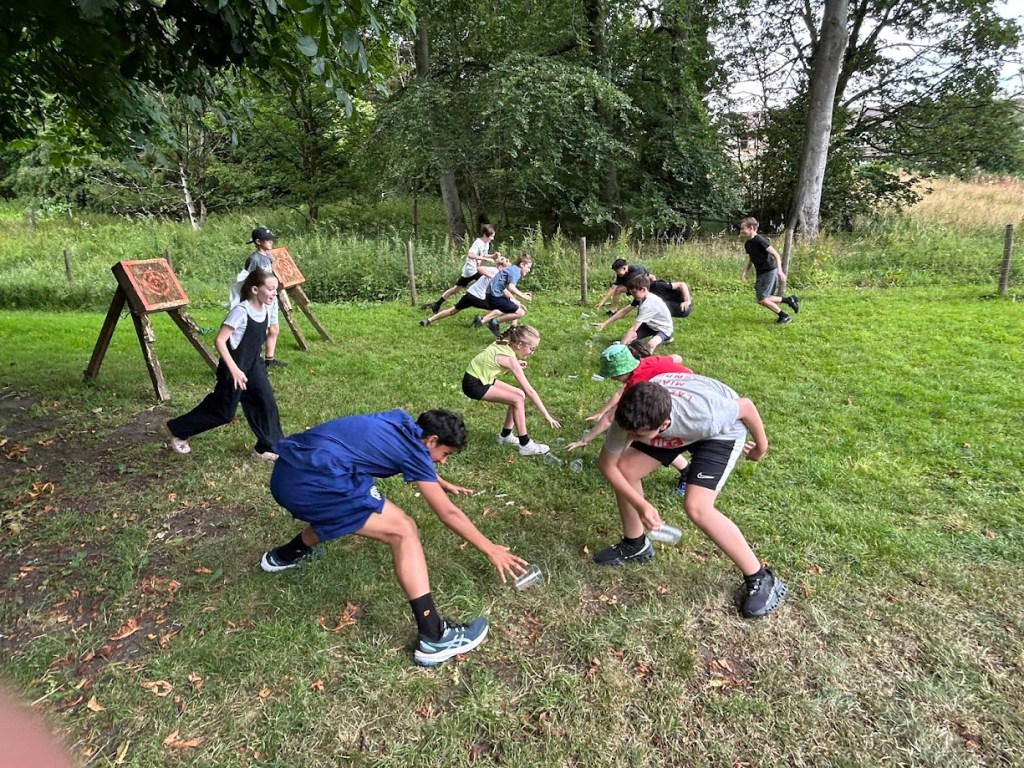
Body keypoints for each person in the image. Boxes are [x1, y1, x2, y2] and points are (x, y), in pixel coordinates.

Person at [259, 409, 528, 666]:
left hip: (289, 471)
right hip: (312, 483)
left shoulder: (399, 423)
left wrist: (438, 481)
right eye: (444, 454)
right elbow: (447, 513)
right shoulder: (415, 450)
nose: (443, 461)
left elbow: (413, 457)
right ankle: (434, 637)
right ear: (432, 440)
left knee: (347, 511)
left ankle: (282, 557)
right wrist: (489, 548)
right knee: (403, 529)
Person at [591, 375, 787, 619]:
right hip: (674, 424)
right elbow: (608, 465)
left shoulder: (708, 415)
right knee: (625, 469)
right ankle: (635, 545)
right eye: (628, 432)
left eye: (637, 435)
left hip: (721, 432)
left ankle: (761, 578)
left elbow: (746, 406)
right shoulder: (630, 416)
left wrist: (760, 448)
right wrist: (641, 505)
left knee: (697, 507)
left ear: (662, 426)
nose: (628, 438)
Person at [168, 269, 285, 460]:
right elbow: (220, 341)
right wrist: (234, 370)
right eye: (271, 289)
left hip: (253, 366)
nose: (275, 293)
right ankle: (178, 430)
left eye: (276, 289)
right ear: (255, 289)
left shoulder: (265, 309)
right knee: (223, 412)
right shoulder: (241, 311)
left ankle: (265, 448)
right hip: (233, 369)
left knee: (266, 403)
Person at [567, 342, 693, 495]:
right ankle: (616, 458)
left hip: (680, 405)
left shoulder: (636, 388)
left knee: (655, 441)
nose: (613, 379)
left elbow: (609, 419)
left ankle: (687, 472)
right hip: (689, 389)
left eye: (613, 376)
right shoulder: (649, 362)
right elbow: (676, 358)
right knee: (637, 433)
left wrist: (584, 440)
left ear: (620, 373)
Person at [462, 325, 560, 456]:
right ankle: (525, 445)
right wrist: (547, 415)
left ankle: (505, 436)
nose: (532, 352)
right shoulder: (510, 360)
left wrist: (517, 362)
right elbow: (530, 391)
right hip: (474, 384)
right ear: (519, 345)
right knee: (518, 398)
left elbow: (496, 358)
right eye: (531, 349)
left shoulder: (505, 343)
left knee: (518, 394)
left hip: (481, 378)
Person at [230, 226, 287, 368]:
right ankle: (254, 359)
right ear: (258, 242)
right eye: (268, 240)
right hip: (260, 300)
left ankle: (269, 359)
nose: (271, 242)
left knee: (274, 328)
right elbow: (246, 280)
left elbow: (271, 275)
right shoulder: (253, 259)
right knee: (261, 330)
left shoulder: (269, 257)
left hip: (271, 297)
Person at [423, 224, 500, 314]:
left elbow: (483, 254)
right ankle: (490, 306)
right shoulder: (478, 243)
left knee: (456, 289)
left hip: (475, 269)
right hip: (471, 270)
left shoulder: (486, 244)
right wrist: (485, 259)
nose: (492, 239)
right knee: (488, 283)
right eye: (491, 236)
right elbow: (470, 254)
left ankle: (437, 304)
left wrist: (492, 256)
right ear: (485, 234)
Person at [738, 217, 800, 325]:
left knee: (762, 299)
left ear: (751, 228)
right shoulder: (748, 244)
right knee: (764, 298)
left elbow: (775, 254)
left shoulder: (760, 240)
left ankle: (784, 316)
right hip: (761, 273)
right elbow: (751, 260)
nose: (741, 231)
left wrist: (780, 271)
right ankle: (789, 300)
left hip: (768, 271)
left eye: (743, 228)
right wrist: (744, 273)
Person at [591, 273, 674, 352]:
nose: (633, 295)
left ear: (643, 289)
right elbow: (624, 311)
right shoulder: (641, 297)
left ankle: (647, 362)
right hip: (650, 325)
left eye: (634, 292)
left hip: (663, 328)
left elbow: (634, 328)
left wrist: (620, 347)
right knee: (629, 338)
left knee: (650, 344)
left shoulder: (649, 304)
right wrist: (605, 323)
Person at [419, 255, 509, 327]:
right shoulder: (495, 271)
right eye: (506, 268)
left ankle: (428, 320)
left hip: (470, 294)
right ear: (501, 266)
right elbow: (480, 268)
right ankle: (481, 320)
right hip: (477, 298)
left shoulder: (499, 275)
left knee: (452, 311)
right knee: (499, 308)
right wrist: (491, 276)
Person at [478, 254, 533, 337]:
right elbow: (511, 287)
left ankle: (513, 328)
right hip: (495, 297)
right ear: (522, 264)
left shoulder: (511, 269)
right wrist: (523, 296)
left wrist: (520, 294)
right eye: (528, 267)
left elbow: (504, 288)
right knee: (521, 313)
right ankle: (493, 322)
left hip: (492, 295)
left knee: (517, 306)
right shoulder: (516, 272)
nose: (529, 270)